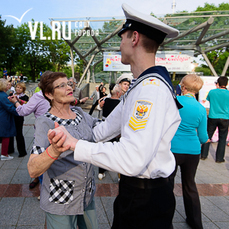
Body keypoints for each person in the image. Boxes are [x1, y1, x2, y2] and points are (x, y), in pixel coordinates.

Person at [48, 4, 181, 229]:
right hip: (134, 193)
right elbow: (103, 130)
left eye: (122, 38)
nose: (119, 45)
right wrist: (66, 128)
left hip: (146, 198)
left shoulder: (151, 89)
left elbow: (131, 158)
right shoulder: (139, 87)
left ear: (135, 38)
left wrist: (74, 144)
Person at [27, 72, 98, 229]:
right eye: (62, 85)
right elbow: (33, 169)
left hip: (86, 193)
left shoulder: (80, 114)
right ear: (49, 94)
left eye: (69, 83)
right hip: (62, 197)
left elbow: (104, 129)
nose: (69, 87)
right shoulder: (45, 121)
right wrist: (53, 151)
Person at [169, 74, 209, 229]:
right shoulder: (200, 108)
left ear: (183, 87)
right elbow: (203, 136)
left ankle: (166, 221)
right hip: (193, 152)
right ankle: (195, 222)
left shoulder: (175, 102)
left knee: (168, 184)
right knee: (190, 185)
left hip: (172, 150)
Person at [9, 71, 52, 189]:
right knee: (47, 159)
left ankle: (44, 186)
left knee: (42, 159)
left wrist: (15, 102)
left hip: (44, 134)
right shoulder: (43, 96)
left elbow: (24, 111)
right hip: (50, 132)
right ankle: (39, 179)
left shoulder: (40, 96)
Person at [97, 83, 122, 180]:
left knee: (103, 151)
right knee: (118, 152)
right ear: (118, 93)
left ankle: (100, 172)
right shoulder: (121, 103)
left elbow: (99, 108)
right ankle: (119, 175)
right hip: (116, 131)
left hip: (105, 129)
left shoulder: (105, 100)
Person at [201, 76, 229, 163]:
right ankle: (219, 158)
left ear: (218, 84)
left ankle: (203, 155)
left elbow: (208, 100)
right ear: (227, 84)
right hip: (225, 118)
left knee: (208, 135)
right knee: (222, 138)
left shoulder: (212, 92)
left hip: (212, 116)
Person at [8, 82, 29, 157]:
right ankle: (10, 149)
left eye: (20, 88)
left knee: (19, 134)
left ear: (23, 89)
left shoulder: (25, 97)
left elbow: (26, 105)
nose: (18, 89)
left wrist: (18, 101)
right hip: (11, 116)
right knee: (10, 133)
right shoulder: (12, 95)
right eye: (17, 87)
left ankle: (22, 151)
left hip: (19, 117)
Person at [0, 79, 18, 160]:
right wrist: (20, 111)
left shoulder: (2, 94)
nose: (9, 86)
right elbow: (9, 107)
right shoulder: (3, 96)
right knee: (6, 135)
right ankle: (4, 154)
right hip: (4, 117)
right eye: (7, 85)